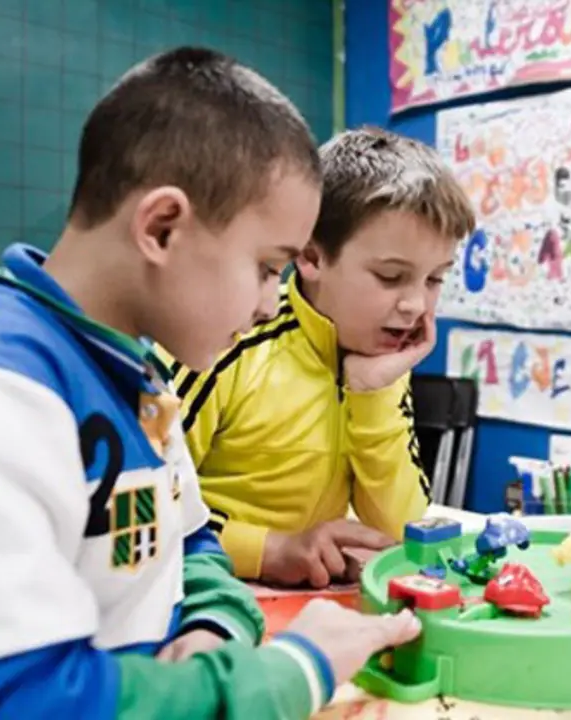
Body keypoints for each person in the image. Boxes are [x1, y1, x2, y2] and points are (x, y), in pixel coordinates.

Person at [0, 47, 419, 719]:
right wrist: (290, 671)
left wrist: (209, 632)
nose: (270, 304)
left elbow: (189, 549)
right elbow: (16, 705)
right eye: (266, 267)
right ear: (161, 227)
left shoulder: (137, 376)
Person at [168, 127, 476, 588]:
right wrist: (271, 550)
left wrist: (373, 392)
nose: (415, 304)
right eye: (391, 277)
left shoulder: (377, 355)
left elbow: (400, 528)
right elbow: (139, 509)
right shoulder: (225, 344)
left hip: (315, 607)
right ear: (311, 257)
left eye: (434, 280)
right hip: (205, 596)